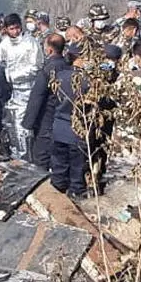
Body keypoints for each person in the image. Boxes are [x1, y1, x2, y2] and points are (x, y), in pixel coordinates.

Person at [0, 12, 42, 159]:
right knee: (12, 125)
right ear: (6, 30)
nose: (15, 31)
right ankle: (18, 157)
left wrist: (14, 76)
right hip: (11, 92)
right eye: (11, 29)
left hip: (28, 89)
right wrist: (5, 77)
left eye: (16, 28)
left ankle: (29, 158)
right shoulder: (4, 44)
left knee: (27, 126)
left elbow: (37, 66)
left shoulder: (31, 42)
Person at [48, 43, 92, 198]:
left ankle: (56, 194)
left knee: (58, 164)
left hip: (59, 127)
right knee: (77, 167)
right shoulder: (88, 80)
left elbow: (53, 101)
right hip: (78, 129)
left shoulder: (59, 77)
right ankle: (76, 193)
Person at [23, 33, 70, 169]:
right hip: (65, 118)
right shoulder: (68, 66)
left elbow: (36, 98)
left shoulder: (47, 70)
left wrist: (28, 124)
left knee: (41, 156)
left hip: (47, 119)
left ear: (49, 49)